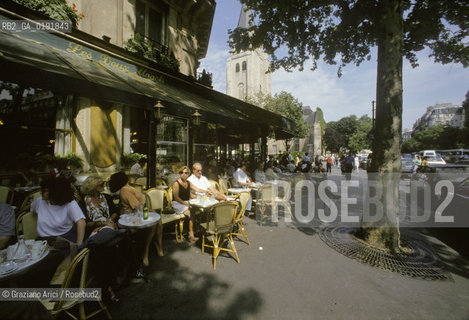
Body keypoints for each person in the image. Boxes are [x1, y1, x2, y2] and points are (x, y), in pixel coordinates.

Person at [109, 172, 164, 266]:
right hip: (133, 216)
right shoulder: (125, 190)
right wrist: (151, 210)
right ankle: (146, 251)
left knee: (158, 220)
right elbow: (136, 206)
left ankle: (158, 245)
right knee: (154, 223)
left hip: (136, 213)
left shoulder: (127, 188)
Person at [32, 177, 86, 246]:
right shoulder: (39, 201)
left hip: (65, 238)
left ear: (54, 192)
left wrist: (78, 245)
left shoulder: (70, 203)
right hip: (44, 240)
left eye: (44, 190)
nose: (40, 192)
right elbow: (30, 208)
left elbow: (81, 222)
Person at [172, 166, 196, 243]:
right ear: (179, 174)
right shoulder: (176, 183)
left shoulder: (188, 183)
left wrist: (206, 191)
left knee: (194, 209)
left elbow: (196, 189)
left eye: (186, 173)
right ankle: (191, 232)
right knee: (190, 211)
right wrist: (186, 204)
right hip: (177, 203)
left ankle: (189, 230)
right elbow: (176, 197)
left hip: (185, 202)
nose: (183, 174)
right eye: (181, 172)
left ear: (188, 174)